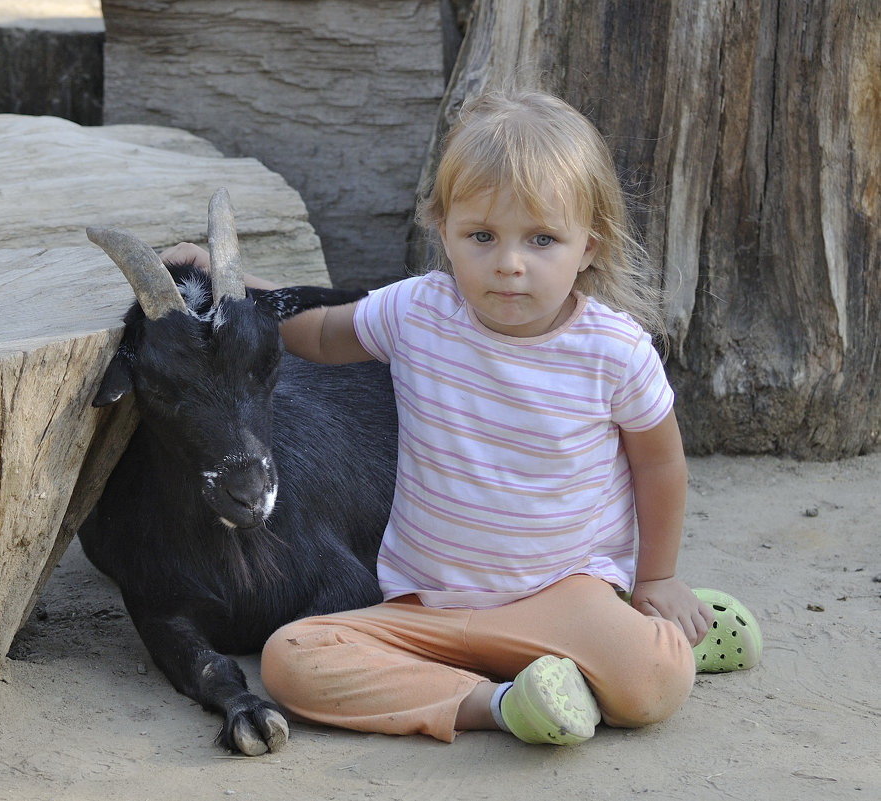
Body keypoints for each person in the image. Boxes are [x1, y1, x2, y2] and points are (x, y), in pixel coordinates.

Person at [161, 89, 761, 746]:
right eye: (481, 235)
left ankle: (663, 623)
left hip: (564, 598)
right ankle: (503, 702)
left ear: (586, 246)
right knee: (290, 658)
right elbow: (324, 332)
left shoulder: (612, 351)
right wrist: (230, 281)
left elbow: (658, 460)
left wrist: (657, 576)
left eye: (541, 239)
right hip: (427, 611)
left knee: (652, 678)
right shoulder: (418, 310)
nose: (508, 262)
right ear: (441, 229)